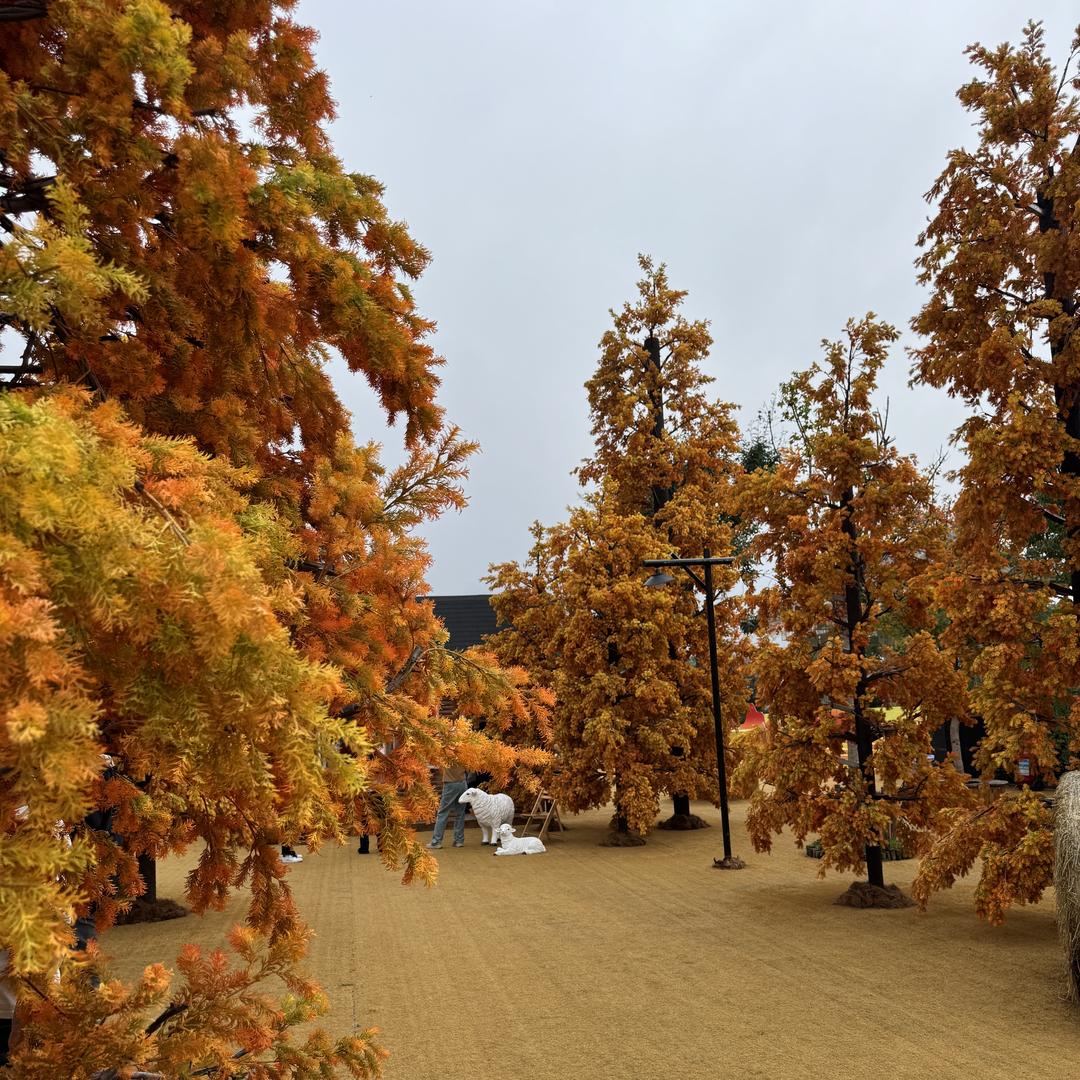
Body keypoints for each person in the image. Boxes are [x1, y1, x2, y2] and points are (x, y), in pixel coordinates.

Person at [427, 761, 468, 849]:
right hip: (462, 783)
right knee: (460, 813)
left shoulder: (446, 753)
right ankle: (459, 841)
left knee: (443, 813)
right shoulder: (464, 753)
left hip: (450, 783)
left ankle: (436, 842)